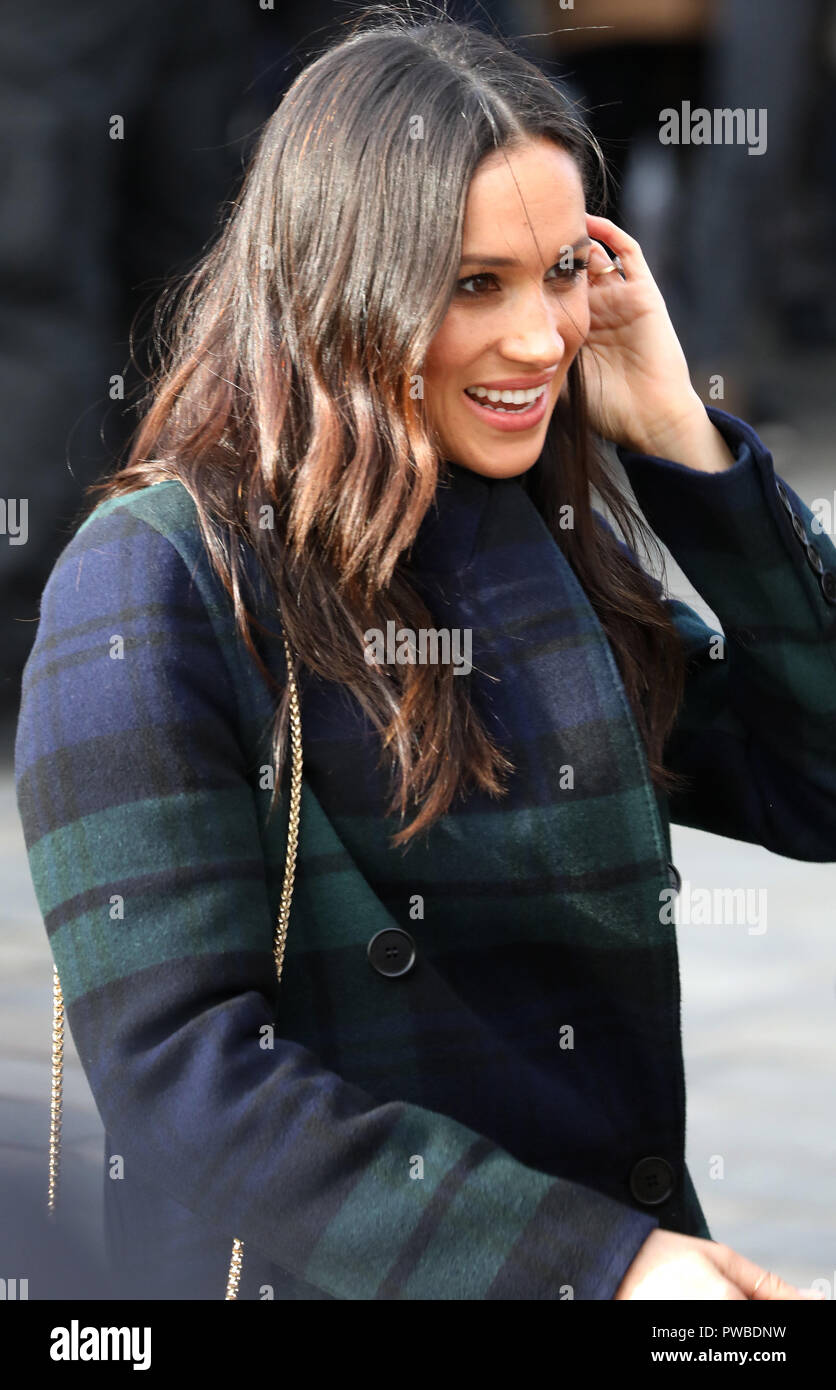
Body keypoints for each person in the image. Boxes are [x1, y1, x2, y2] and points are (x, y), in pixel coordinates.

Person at [14, 7, 835, 1301]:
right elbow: (187, 1074)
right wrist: (595, 1265)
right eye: (476, 284)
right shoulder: (150, 577)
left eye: (566, 270)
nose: (542, 337)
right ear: (347, 279)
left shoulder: (539, 528)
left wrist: (686, 447)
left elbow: (821, 773)